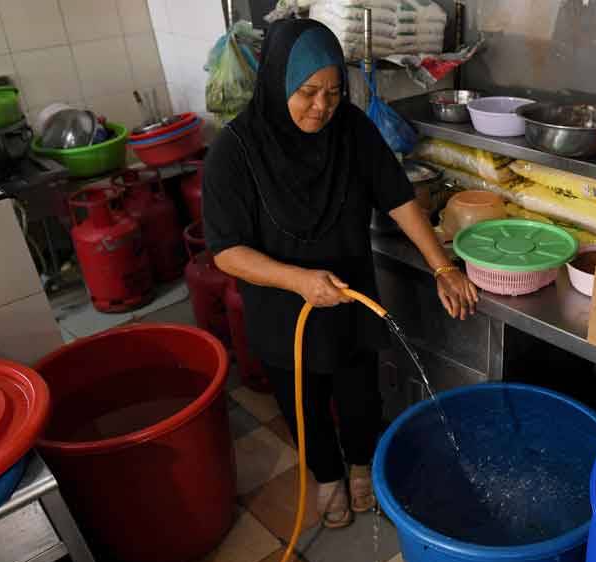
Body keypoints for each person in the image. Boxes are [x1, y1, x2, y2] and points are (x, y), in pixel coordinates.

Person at [204, 19, 478, 529]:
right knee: (302, 402)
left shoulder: (351, 129)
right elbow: (226, 252)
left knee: (359, 395)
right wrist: (300, 281)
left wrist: (442, 265)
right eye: (307, 92)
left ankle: (359, 467)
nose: (322, 107)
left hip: (351, 293)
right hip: (282, 305)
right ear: (278, 82)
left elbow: (398, 198)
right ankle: (327, 477)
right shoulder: (234, 151)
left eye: (333, 92)